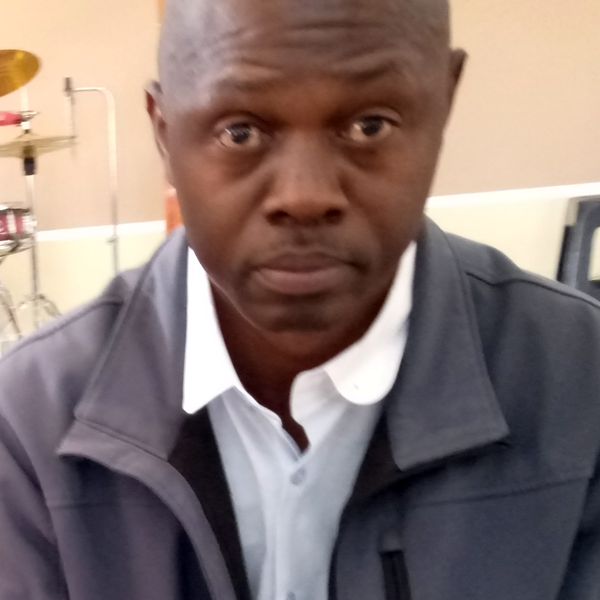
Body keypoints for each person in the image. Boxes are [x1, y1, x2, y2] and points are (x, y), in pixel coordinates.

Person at [1, 0, 599, 598]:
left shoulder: (581, 383)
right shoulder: (28, 419)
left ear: (444, 100)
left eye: (370, 125)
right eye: (240, 132)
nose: (305, 195)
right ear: (165, 132)